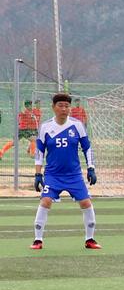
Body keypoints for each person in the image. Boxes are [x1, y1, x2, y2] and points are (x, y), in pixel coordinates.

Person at [30, 92, 101, 251]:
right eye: (60, 106)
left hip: (74, 175)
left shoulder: (77, 125)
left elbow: (87, 148)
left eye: (67, 106)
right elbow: (39, 152)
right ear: (53, 107)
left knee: (86, 202)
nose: (64, 109)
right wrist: (37, 174)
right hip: (53, 175)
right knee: (46, 201)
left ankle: (90, 239)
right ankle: (37, 240)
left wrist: (91, 168)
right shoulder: (46, 127)